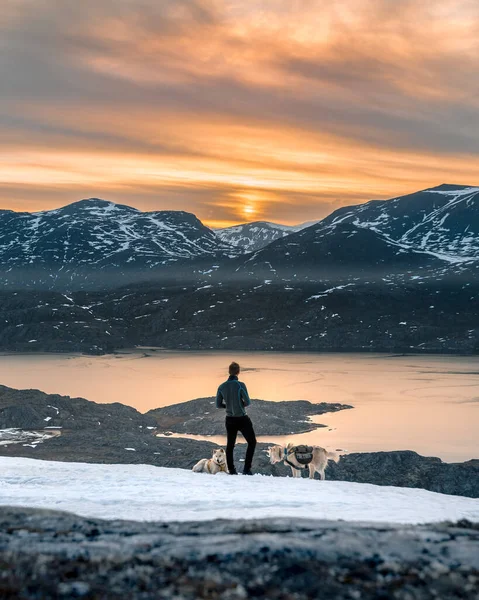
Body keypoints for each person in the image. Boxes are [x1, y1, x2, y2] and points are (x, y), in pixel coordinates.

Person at [216, 361, 256, 475]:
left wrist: (227, 406)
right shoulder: (240, 385)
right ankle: (246, 469)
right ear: (238, 372)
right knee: (252, 442)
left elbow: (218, 405)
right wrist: (240, 404)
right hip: (242, 419)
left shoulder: (221, 386)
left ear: (229, 372)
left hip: (230, 419)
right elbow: (247, 402)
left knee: (230, 445)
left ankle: (232, 470)